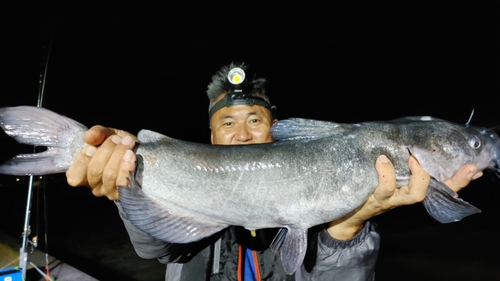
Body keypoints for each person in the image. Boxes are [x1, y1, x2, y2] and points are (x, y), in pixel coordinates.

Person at [66, 62, 482, 280]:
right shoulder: (181, 181)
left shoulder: (327, 197)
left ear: (276, 128)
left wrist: (350, 225)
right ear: (210, 135)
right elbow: (157, 248)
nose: (243, 134)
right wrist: (125, 185)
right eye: (228, 123)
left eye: (255, 120)